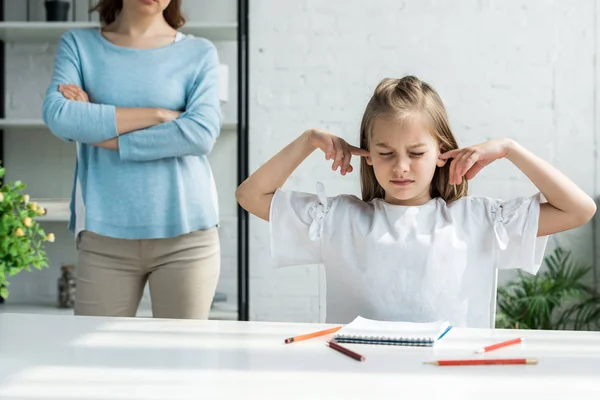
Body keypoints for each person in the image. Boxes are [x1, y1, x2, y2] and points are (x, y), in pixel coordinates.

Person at [236, 75, 597, 328]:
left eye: (416, 152)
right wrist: (309, 140)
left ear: (442, 150)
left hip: (449, 383)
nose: (401, 166)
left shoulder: (480, 221)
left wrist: (508, 149)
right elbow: (250, 195)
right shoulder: (337, 219)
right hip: (357, 382)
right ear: (368, 155)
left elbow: (580, 209)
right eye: (386, 152)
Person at [41, 0, 222, 320]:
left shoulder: (199, 52)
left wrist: (98, 128)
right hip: (103, 236)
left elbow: (200, 134)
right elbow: (61, 117)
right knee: (95, 362)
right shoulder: (79, 46)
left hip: (187, 237)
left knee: (182, 364)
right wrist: (161, 115)